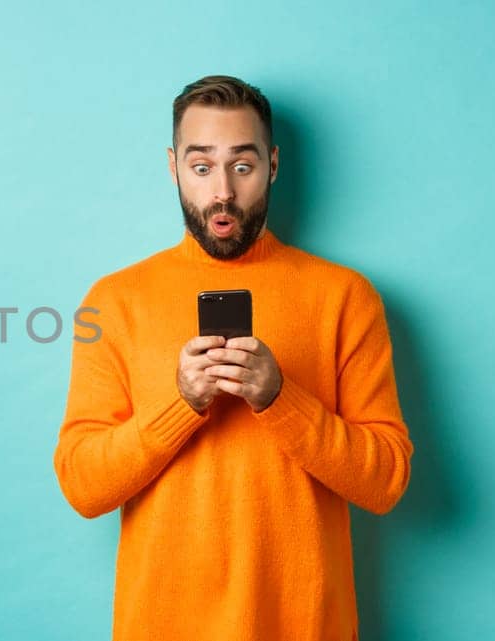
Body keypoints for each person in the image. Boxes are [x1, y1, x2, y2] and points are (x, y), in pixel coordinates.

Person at [52, 75, 414, 640]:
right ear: (173, 167)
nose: (222, 191)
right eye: (202, 167)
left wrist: (279, 398)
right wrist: (181, 404)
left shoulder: (344, 297)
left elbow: (386, 480)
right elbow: (82, 486)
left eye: (241, 166)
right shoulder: (115, 302)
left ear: (272, 164)